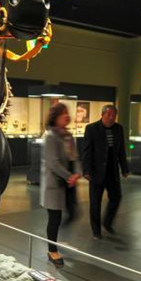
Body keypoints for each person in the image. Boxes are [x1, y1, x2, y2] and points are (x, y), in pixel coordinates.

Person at [41, 102, 81, 267]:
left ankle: (57, 239)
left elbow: (75, 157)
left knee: (73, 212)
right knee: (55, 217)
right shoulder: (51, 136)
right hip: (55, 183)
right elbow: (53, 163)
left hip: (68, 182)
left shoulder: (68, 136)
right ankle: (52, 250)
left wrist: (77, 173)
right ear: (55, 117)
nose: (67, 116)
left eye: (67, 112)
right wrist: (69, 176)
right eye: (63, 113)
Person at [82, 104, 129, 239]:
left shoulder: (118, 129)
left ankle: (107, 222)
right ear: (102, 115)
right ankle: (96, 231)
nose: (111, 118)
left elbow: (121, 150)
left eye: (114, 115)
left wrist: (124, 168)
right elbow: (86, 151)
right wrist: (86, 170)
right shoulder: (91, 129)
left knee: (116, 197)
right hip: (96, 171)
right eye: (108, 115)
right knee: (95, 203)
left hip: (112, 171)